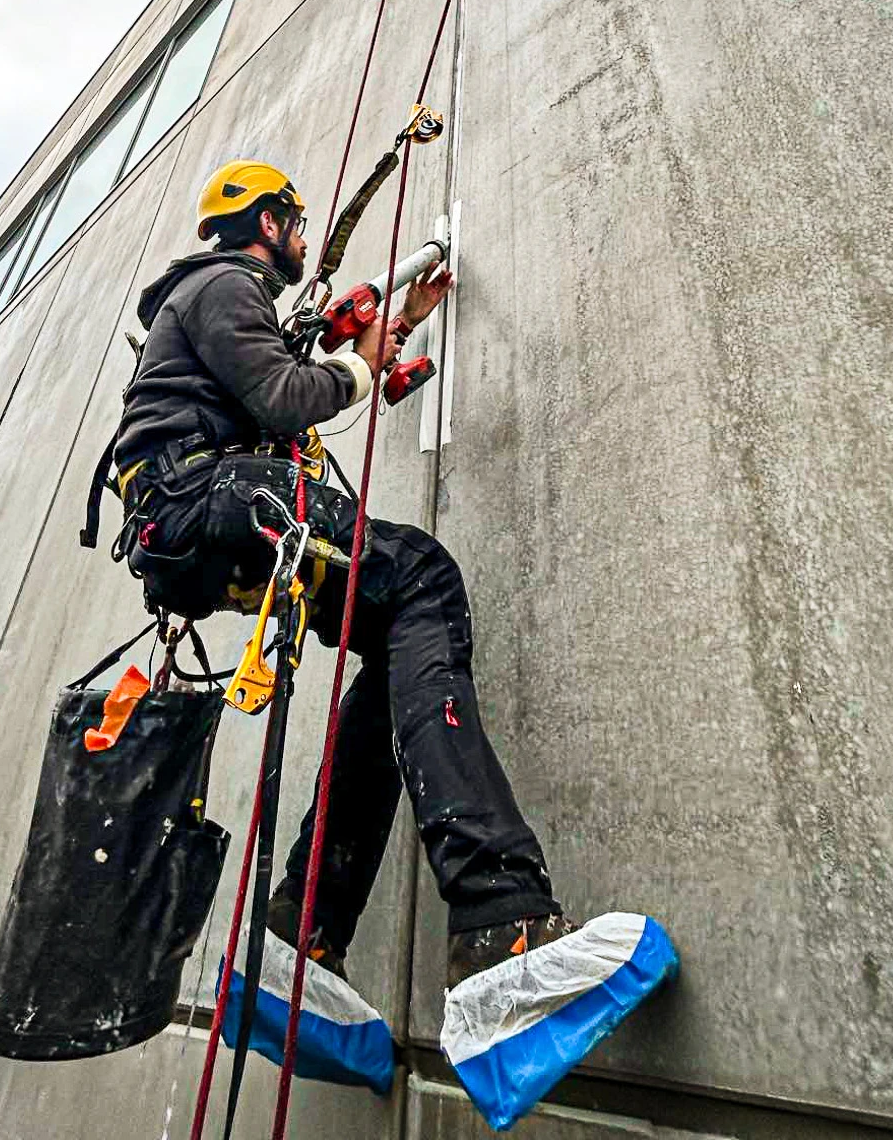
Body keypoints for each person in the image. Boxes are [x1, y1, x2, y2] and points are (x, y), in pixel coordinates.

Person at [110, 158, 577, 989]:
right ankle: (500, 912)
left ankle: (302, 937)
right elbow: (287, 397)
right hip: (211, 500)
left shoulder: (212, 302)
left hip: (199, 517)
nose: (302, 237)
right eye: (295, 223)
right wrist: (359, 364)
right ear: (267, 223)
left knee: (397, 632)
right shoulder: (225, 284)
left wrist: (393, 327)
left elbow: (275, 388)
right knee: (424, 576)